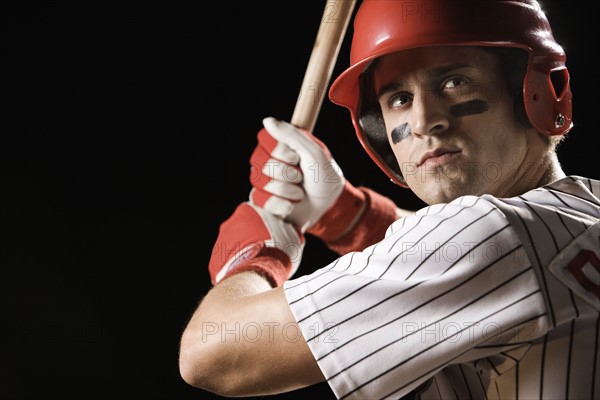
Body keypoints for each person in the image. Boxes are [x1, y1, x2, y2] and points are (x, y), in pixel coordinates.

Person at [178, 0, 600, 398]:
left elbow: (211, 353)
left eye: (454, 81)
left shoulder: (492, 236)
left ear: (540, 88)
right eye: (399, 99)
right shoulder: (582, 212)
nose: (423, 122)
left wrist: (255, 255)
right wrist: (351, 218)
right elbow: (481, 262)